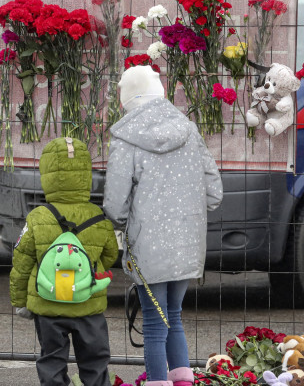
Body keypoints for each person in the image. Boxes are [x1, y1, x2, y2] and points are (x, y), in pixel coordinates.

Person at [103, 66, 223, 386]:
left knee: (155, 326)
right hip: (187, 242)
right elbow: (214, 192)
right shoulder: (189, 129)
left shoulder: (125, 137)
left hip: (147, 245)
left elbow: (115, 205)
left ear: (127, 98)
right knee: (175, 318)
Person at [10, 137, 119, 386]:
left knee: (51, 361)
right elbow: (110, 255)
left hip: (48, 303)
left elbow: (22, 263)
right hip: (88, 303)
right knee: (94, 362)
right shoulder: (98, 217)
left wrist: (20, 301)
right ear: (86, 175)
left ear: (47, 174)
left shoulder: (38, 217)